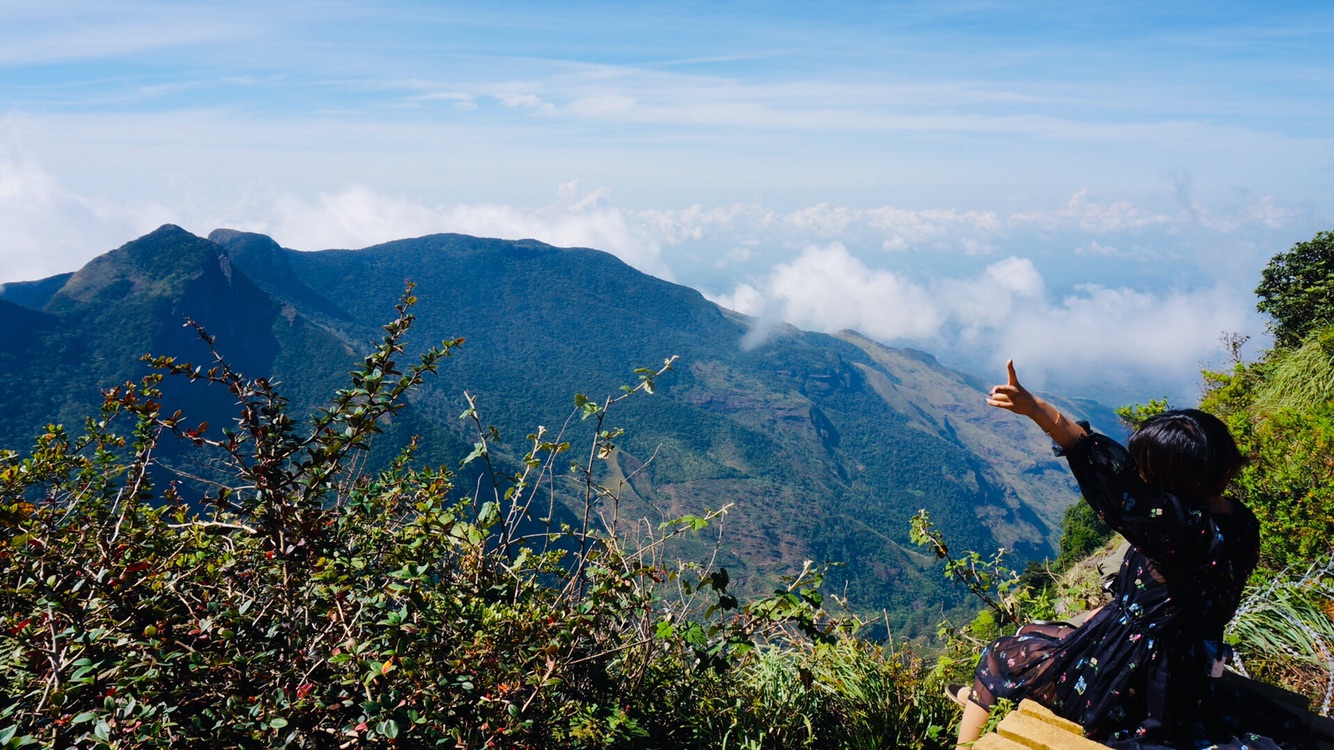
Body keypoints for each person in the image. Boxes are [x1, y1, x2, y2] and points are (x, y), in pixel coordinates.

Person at [955, 360, 1314, 750]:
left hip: (1129, 680)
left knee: (1001, 653)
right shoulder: (1239, 523)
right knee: (1036, 631)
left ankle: (965, 738)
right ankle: (990, 701)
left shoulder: (1179, 531)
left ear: (1168, 478)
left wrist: (1039, 410)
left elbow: (1115, 480)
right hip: (1187, 667)